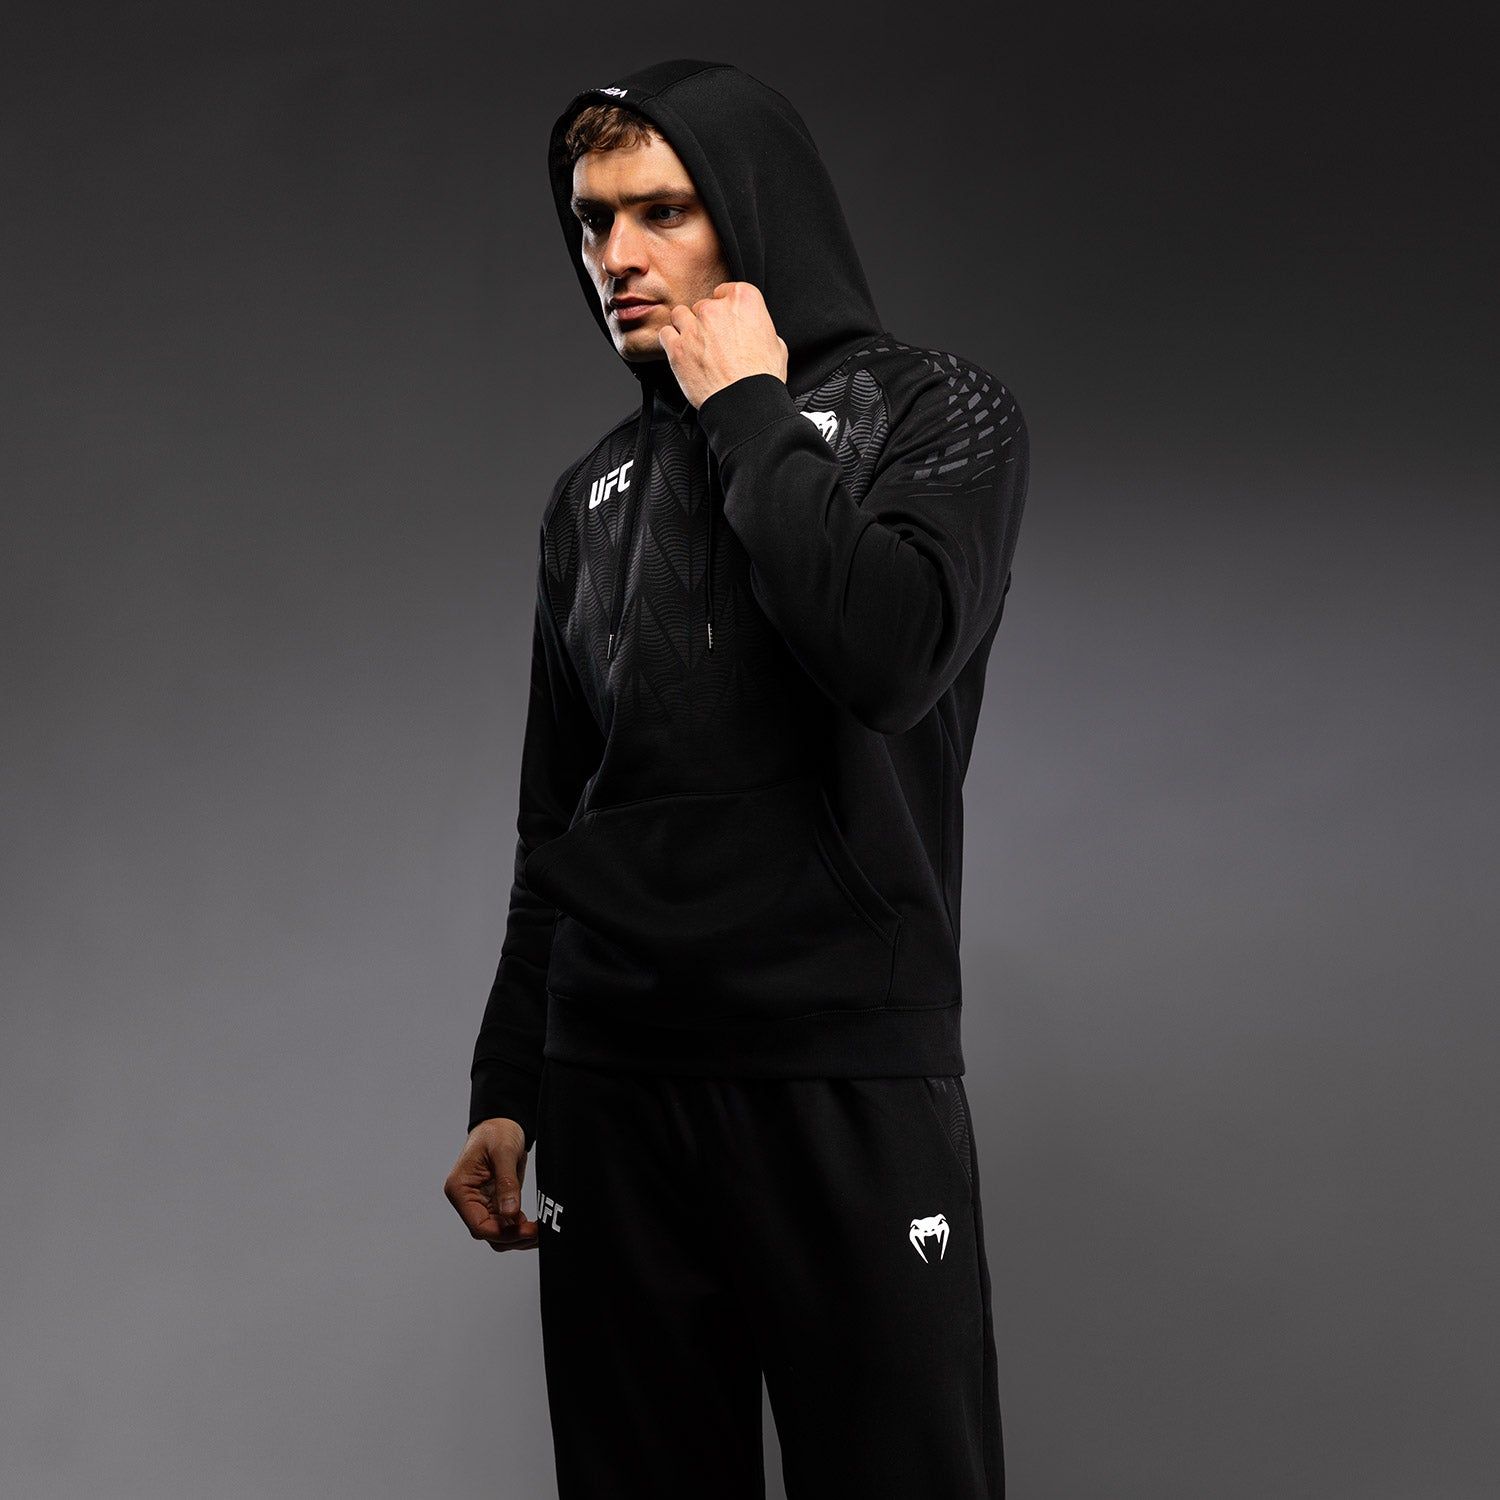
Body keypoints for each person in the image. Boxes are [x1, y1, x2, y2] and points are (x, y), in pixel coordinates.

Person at [443, 57, 1031, 1499]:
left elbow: (887, 656)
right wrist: (508, 1082)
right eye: (592, 220)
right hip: (615, 1084)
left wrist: (752, 411)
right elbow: (560, 812)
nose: (616, 255)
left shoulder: (936, 412)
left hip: (841, 1070)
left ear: (756, 214)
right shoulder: (588, 500)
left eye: (663, 211)